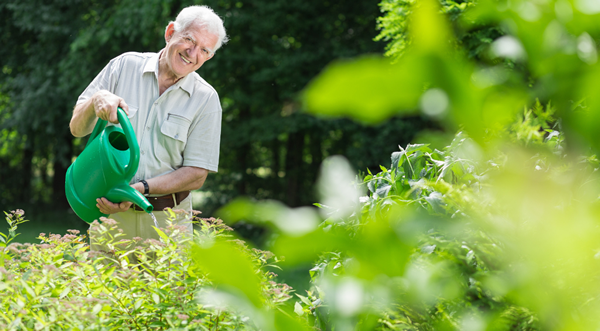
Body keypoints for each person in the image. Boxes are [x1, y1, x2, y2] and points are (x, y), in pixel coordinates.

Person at [69, 5, 228, 244]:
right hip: (110, 216)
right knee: (105, 282)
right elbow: (77, 129)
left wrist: (137, 190)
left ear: (209, 56)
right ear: (170, 32)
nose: (193, 53)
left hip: (168, 221)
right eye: (189, 40)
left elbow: (196, 174)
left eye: (204, 50)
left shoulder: (206, 99)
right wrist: (96, 100)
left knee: (167, 283)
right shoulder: (123, 66)